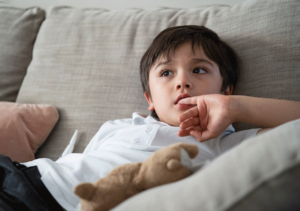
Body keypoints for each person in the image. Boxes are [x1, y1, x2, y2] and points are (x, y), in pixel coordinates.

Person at [1, 25, 299, 211]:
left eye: (199, 70)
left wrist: (235, 107)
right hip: (25, 174)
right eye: (166, 73)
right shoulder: (119, 126)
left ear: (226, 89)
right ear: (150, 100)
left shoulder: (226, 144)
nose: (182, 82)